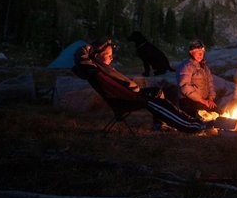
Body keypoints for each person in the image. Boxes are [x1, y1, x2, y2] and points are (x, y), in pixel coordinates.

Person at [73, 37, 209, 133]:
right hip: (128, 98)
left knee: (157, 91)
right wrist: (88, 48)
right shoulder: (95, 69)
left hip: (129, 95)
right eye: (108, 55)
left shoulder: (99, 68)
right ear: (97, 55)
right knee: (159, 104)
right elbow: (81, 56)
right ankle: (192, 125)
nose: (112, 58)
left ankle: (159, 125)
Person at [176, 39, 219, 115]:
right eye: (197, 53)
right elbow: (184, 86)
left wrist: (210, 99)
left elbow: (210, 84)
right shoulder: (186, 66)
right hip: (188, 101)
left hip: (204, 101)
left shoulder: (205, 67)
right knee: (205, 116)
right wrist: (202, 100)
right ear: (191, 53)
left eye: (201, 53)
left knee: (219, 113)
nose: (200, 55)